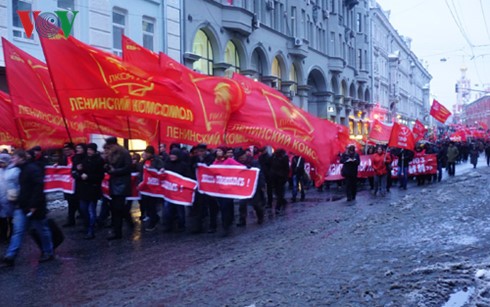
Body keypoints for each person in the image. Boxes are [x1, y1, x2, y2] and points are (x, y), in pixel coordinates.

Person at [1, 149, 54, 266]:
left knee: (42, 230)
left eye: (14, 158)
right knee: (18, 231)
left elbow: (39, 187)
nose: (12, 160)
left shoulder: (32, 169)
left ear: (22, 158)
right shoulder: (19, 170)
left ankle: (48, 251)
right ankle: (10, 256)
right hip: (22, 205)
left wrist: (34, 205)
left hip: (35, 207)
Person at [72, 143, 105, 240]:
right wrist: (78, 172)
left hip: (93, 189)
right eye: (88, 149)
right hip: (83, 189)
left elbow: (100, 176)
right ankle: (88, 225)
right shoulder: (84, 159)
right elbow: (76, 172)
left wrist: (89, 177)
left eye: (91, 150)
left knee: (91, 210)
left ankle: (91, 230)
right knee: (83, 209)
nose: (89, 151)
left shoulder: (99, 160)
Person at [103, 137, 133, 240]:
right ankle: (127, 223)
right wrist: (107, 166)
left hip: (122, 184)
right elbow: (108, 165)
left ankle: (118, 232)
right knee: (116, 208)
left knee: (117, 208)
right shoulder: (110, 153)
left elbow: (128, 167)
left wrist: (115, 171)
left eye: (109, 145)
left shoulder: (124, 152)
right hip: (114, 182)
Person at [162, 148, 191, 233]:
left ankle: (181, 225)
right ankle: (168, 225)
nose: (172, 156)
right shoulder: (167, 164)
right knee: (167, 208)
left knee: (180, 208)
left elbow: (187, 176)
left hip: (179, 191)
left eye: (174, 155)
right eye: (171, 155)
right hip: (169, 190)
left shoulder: (183, 165)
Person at [235, 148, 265, 227]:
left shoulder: (254, 162)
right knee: (242, 204)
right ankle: (242, 220)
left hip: (254, 187)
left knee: (256, 204)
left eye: (242, 157)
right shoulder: (237, 164)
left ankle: (260, 217)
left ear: (245, 155)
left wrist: (261, 185)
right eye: (239, 158)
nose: (241, 159)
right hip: (243, 187)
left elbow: (259, 173)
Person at [139, 146, 165, 232]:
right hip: (145, 187)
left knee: (152, 205)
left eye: (147, 153)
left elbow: (160, 171)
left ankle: (153, 221)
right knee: (146, 205)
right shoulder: (144, 161)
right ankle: (154, 217)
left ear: (151, 153)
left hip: (153, 188)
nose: (145, 154)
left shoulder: (157, 161)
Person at [59, 142, 80, 227]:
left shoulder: (77, 158)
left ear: (72, 150)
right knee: (71, 202)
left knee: (75, 202)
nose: (66, 151)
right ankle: (71, 219)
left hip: (76, 184)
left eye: (68, 150)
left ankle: (73, 219)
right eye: (65, 150)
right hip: (67, 185)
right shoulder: (63, 159)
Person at [0, 154, 16, 244]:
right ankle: (3, 236)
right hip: (1, 199)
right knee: (2, 219)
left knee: (11, 219)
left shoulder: (13, 170)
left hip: (11, 198)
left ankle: (12, 236)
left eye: (2, 162)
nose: (1, 164)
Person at [269, 149, 289, 214]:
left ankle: (278, 207)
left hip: (280, 178)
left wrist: (285, 178)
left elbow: (286, 169)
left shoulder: (284, 159)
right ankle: (281, 202)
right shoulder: (273, 158)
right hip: (274, 178)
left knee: (280, 193)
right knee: (277, 193)